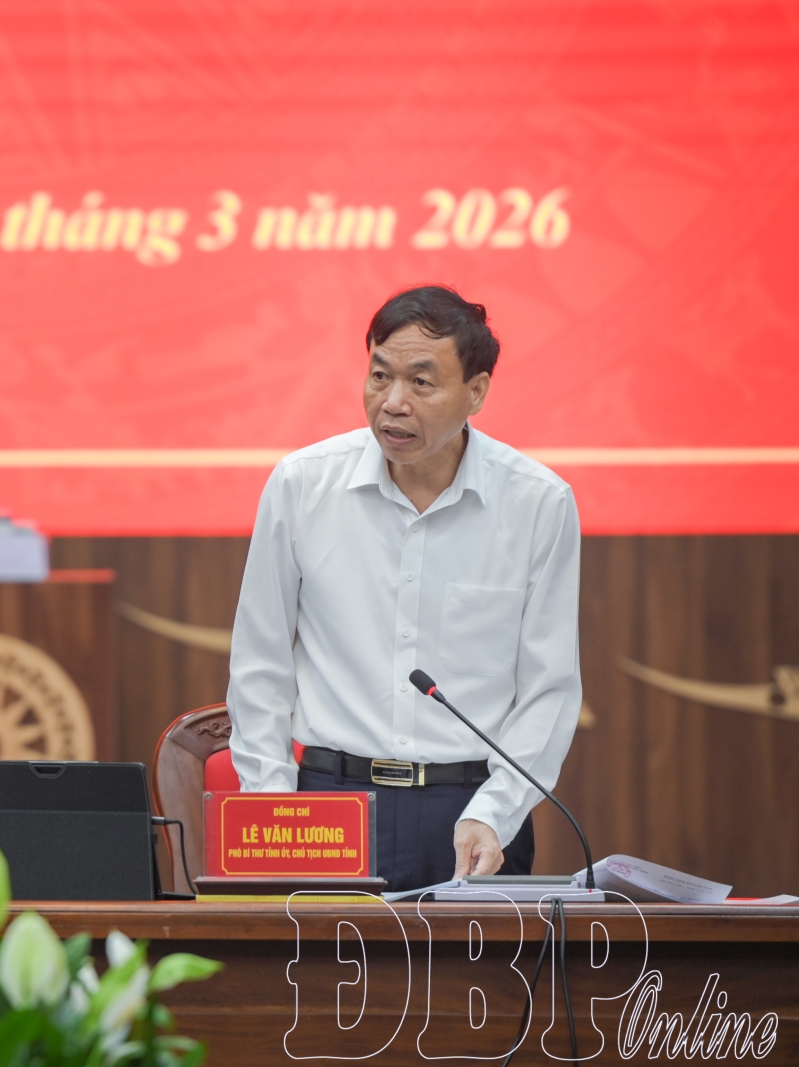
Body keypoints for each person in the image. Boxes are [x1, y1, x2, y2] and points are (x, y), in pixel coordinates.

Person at [226, 285, 581, 893]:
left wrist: (495, 812)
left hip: (470, 812)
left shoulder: (536, 503)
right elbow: (260, 665)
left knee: (473, 964)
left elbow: (549, 689)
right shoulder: (302, 485)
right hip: (327, 806)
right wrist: (272, 808)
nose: (393, 403)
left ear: (476, 392)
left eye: (421, 382)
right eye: (379, 375)